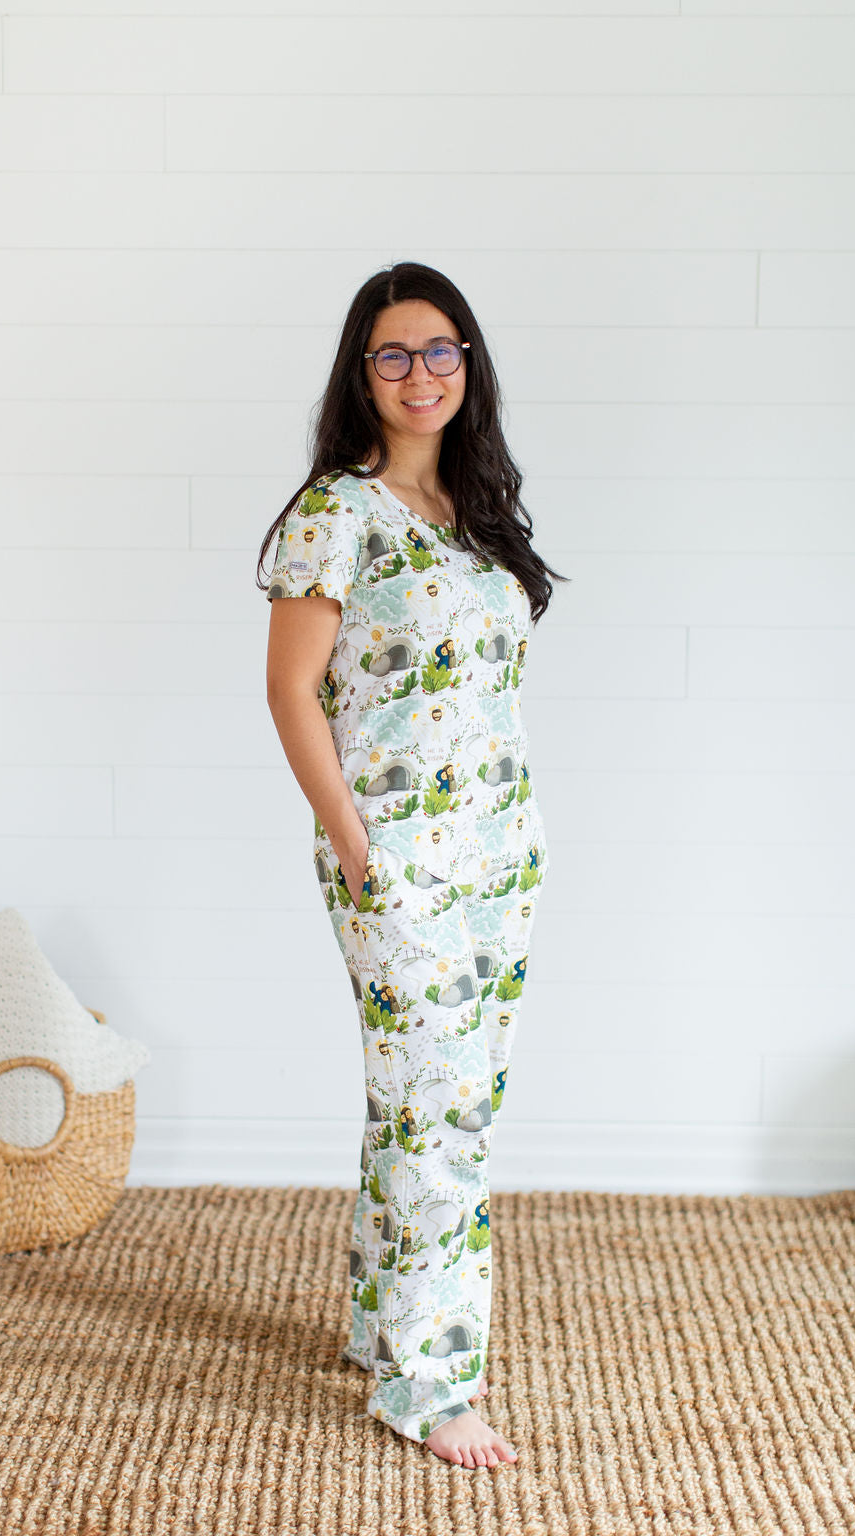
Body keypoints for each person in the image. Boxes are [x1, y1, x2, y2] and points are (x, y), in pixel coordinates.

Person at [257, 261, 568, 1469]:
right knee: (435, 1111)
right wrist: (353, 842)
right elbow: (291, 693)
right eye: (393, 355)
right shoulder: (334, 513)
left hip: (502, 852)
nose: (420, 375)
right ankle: (428, 1386)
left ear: (468, 366)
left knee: (448, 1103)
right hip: (396, 861)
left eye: (442, 352)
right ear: (360, 373)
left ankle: (378, 1327)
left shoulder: (477, 514)